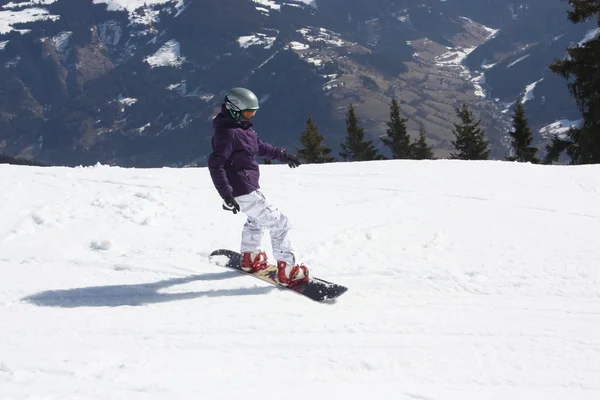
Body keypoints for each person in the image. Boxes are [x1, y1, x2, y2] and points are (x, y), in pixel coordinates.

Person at [208, 87, 309, 288]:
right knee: (279, 223)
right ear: (234, 109)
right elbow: (215, 164)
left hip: (247, 186)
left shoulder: (242, 129)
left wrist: (283, 155)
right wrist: (226, 194)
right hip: (241, 188)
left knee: (256, 219)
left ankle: (250, 258)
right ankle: (288, 271)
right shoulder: (228, 134)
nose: (251, 116)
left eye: (253, 112)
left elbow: (259, 147)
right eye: (248, 112)